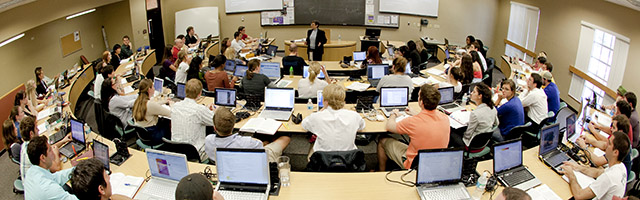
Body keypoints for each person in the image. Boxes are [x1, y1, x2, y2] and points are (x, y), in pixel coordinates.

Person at [377, 84, 450, 171]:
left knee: (382, 140)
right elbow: (427, 121)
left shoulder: (412, 122)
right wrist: (416, 114)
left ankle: (380, 172)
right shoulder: (445, 118)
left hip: (415, 164)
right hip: (437, 162)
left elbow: (389, 127)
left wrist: (393, 114)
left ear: (421, 102)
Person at [561, 131, 629, 200]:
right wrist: (578, 167)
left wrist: (571, 176)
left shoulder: (609, 177)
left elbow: (579, 195)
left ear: (615, 152)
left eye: (609, 144)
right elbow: (598, 173)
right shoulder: (621, 167)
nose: (606, 145)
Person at [205, 107, 290, 162]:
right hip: (254, 162)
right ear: (234, 125)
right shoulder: (247, 142)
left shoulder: (208, 140)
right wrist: (264, 143)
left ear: (214, 128)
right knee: (286, 138)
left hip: (224, 166)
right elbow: (260, 145)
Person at [302, 84, 365, 155]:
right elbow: (362, 127)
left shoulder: (316, 117)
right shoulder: (354, 116)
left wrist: (321, 110)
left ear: (324, 100)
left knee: (312, 148)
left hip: (323, 160)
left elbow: (304, 125)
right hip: (348, 159)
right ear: (343, 99)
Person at [171, 79, 215, 160]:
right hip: (196, 153)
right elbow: (216, 121)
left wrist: (205, 109)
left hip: (177, 151)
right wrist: (215, 110)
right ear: (200, 93)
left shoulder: (175, 106)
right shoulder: (200, 110)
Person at [24, 136, 78, 200]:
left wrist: (77, 168)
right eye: (50, 150)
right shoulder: (47, 188)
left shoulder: (31, 171)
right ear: (43, 158)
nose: (53, 151)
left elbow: (55, 177)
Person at [20, 116, 70, 181]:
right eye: (36, 128)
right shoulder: (32, 152)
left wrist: (63, 141)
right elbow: (56, 168)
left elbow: (48, 148)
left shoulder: (26, 144)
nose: (38, 130)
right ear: (31, 134)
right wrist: (56, 154)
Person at [450, 83, 498, 147]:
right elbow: (496, 124)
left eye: (474, 92)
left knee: (451, 131)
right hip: (484, 143)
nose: (471, 93)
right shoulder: (493, 108)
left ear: (480, 96)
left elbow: (467, 135)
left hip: (471, 144)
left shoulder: (475, 114)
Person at [132, 79, 171, 143]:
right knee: (168, 122)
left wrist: (164, 101)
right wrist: (172, 104)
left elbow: (152, 106)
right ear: (149, 89)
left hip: (143, 135)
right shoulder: (150, 105)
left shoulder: (138, 101)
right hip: (152, 135)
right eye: (153, 86)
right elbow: (169, 113)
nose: (154, 88)